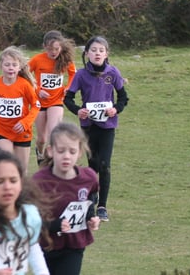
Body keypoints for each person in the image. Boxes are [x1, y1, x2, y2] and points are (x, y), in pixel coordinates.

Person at [63, 35, 128, 222]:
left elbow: (123, 97)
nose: (97, 53)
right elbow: (68, 99)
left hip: (107, 126)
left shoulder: (113, 73)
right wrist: (79, 111)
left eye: (101, 50)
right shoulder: (81, 75)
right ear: (87, 53)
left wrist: (115, 109)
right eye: (93, 50)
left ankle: (102, 207)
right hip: (89, 126)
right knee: (93, 166)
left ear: (106, 54)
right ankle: (91, 202)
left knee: (105, 165)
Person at [32, 122, 100, 275]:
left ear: (80, 152)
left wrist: (91, 218)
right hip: (45, 246)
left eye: (72, 151)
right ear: (50, 151)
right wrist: (55, 225)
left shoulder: (89, 178)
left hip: (73, 245)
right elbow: (30, 219)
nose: (66, 156)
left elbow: (89, 199)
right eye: (61, 151)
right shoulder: (39, 181)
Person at [0, 46, 40, 172]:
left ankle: (21, 191)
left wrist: (25, 122)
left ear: (19, 67)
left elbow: (36, 105)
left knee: (21, 170)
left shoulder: (24, 85)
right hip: (3, 131)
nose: (10, 67)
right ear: (1, 66)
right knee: (7, 163)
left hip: (22, 132)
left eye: (14, 65)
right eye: (7, 64)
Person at [29, 30, 77, 165]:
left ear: (61, 47)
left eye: (56, 49)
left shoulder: (65, 60)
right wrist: (38, 90)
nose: (53, 52)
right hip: (39, 102)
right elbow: (25, 75)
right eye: (50, 49)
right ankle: (39, 152)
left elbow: (74, 74)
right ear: (44, 47)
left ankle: (51, 163)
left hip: (56, 101)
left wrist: (68, 88)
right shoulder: (37, 59)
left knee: (53, 135)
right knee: (42, 139)